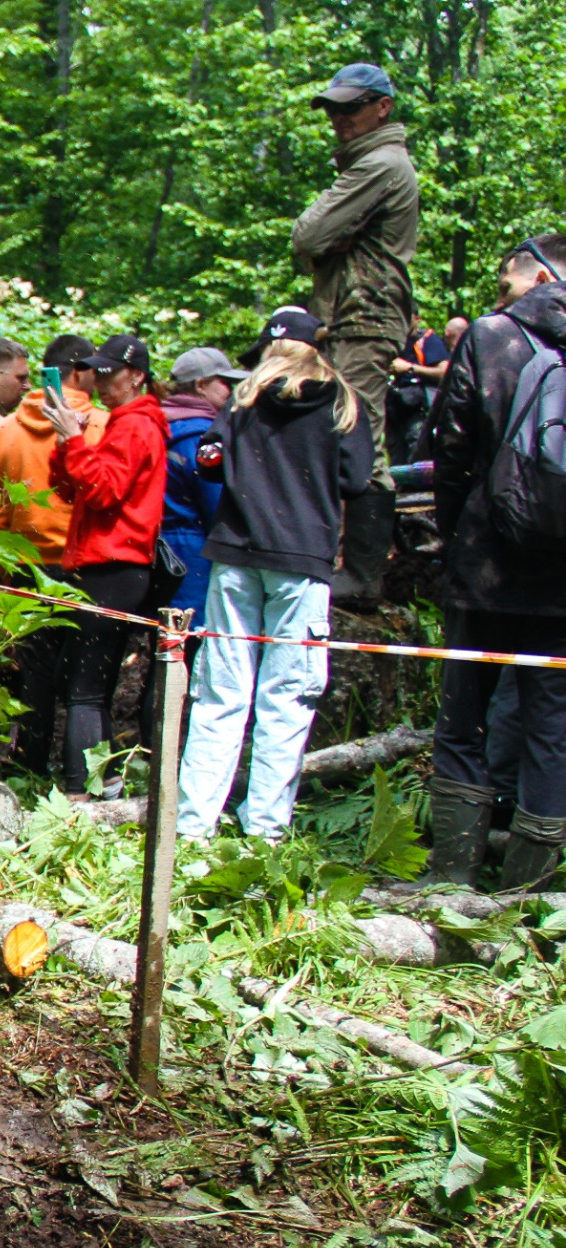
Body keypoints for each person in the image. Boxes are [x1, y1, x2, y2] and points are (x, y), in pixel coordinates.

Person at [176, 310, 374, 840]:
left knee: (220, 694)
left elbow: (208, 461)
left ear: (270, 348)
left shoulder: (244, 399)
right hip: (302, 560)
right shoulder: (343, 400)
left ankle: (193, 827)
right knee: (286, 698)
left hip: (237, 554)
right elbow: (356, 479)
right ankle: (265, 831)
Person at [420, 233, 566, 888]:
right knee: (552, 728)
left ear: (537, 276)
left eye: (505, 282)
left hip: (485, 565)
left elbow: (450, 451)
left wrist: (457, 537)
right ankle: (528, 894)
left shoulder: (490, 335)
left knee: (463, 718)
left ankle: (452, 882)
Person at [291, 62, 420, 610]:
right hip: (352, 313)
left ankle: (363, 579)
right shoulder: (366, 163)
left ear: (382, 107)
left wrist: (322, 238)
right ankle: (351, 568)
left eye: (351, 107)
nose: (339, 118)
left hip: (365, 314)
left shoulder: (381, 164)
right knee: (346, 431)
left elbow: (310, 233)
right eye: (334, 109)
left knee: (361, 435)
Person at [41, 335, 169, 796]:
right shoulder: (123, 423)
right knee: (87, 684)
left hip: (113, 567)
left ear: (137, 376)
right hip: (104, 564)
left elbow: (104, 490)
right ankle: (104, 783)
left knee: (83, 689)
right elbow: (75, 489)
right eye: (97, 371)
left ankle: (81, 790)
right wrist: (64, 443)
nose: (101, 381)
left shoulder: (137, 426)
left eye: (111, 372)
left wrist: (76, 440)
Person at [0, 334, 106, 775]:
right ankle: (83, 780)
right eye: (96, 368)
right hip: (84, 569)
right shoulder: (97, 425)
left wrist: (3, 570)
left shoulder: (4, 430)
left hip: (24, 568)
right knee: (86, 685)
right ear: (80, 372)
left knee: (32, 681)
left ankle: (25, 771)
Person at [158, 348, 243, 628]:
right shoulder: (201, 436)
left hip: (157, 550)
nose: (230, 391)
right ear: (200, 385)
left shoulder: (157, 424)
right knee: (192, 638)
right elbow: (215, 504)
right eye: (224, 383)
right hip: (194, 553)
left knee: (165, 637)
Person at [387, 314, 450, 463]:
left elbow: (444, 373)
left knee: (416, 455)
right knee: (396, 456)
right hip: (395, 410)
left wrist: (410, 368)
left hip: (418, 410)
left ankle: (416, 486)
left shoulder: (427, 340)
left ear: (416, 318)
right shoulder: (393, 342)